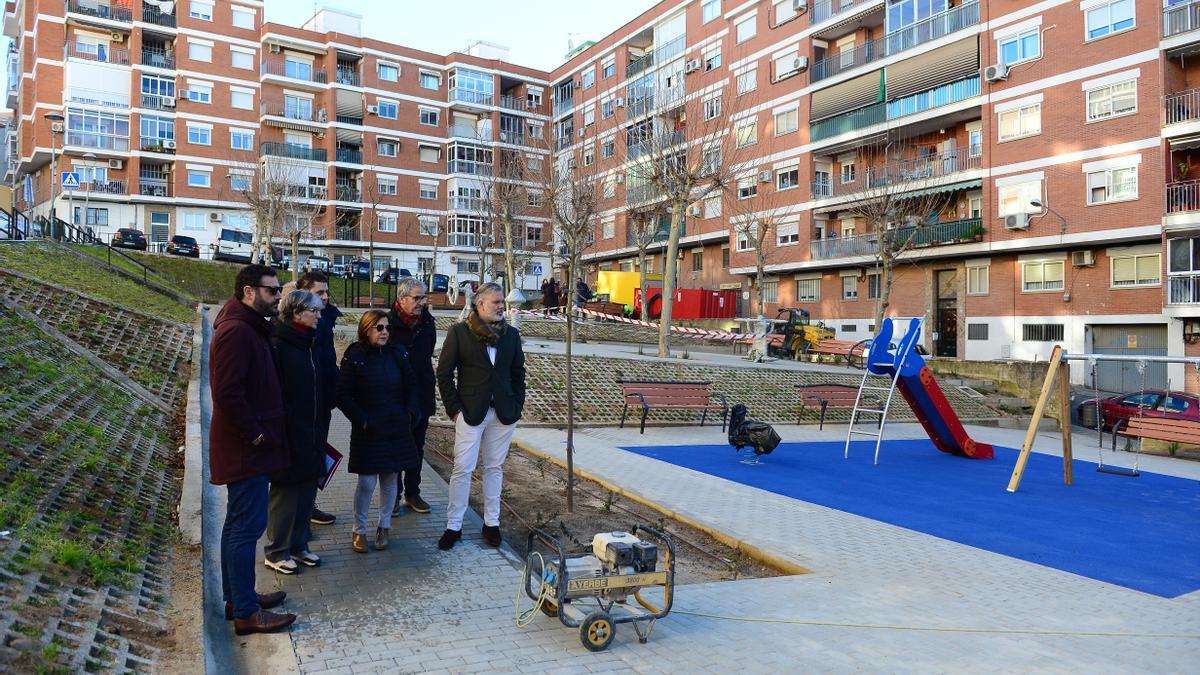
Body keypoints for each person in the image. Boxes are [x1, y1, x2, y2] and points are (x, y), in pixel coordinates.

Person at [209, 264, 296, 635]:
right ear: (249, 292)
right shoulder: (236, 332)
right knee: (247, 529)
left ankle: (238, 598)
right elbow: (227, 393)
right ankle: (245, 613)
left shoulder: (250, 328)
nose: (278, 296)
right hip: (246, 449)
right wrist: (256, 435)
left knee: (237, 527)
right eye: (272, 290)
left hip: (247, 447)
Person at [436, 282, 526, 551]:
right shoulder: (459, 333)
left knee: (494, 468)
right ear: (480, 304)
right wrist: (454, 409)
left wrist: (517, 405)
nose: (502, 306)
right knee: (462, 468)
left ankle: (492, 524)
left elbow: (518, 373)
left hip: (503, 414)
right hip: (471, 413)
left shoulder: (510, 335)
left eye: (502, 302)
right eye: (497, 302)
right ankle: (454, 526)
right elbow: (444, 373)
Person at [336, 310, 421, 553]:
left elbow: (412, 386)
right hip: (369, 428)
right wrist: (361, 420)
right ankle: (358, 529)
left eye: (386, 328)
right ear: (366, 329)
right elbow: (342, 394)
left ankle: (384, 527)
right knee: (366, 482)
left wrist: (410, 413)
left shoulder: (397, 354)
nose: (384, 332)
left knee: (390, 478)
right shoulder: (355, 355)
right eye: (379, 328)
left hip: (395, 426)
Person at [263, 290, 328, 575]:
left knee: (306, 491)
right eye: (314, 310)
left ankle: (299, 546)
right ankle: (276, 551)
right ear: (297, 312)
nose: (319, 315)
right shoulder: (279, 344)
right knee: (285, 493)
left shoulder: (307, 344)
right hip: (289, 433)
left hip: (311, 430)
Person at [387, 277, 436, 516]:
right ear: (402, 298)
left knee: (417, 447)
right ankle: (392, 496)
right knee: (396, 448)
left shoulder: (427, 322)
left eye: (423, 297)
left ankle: (412, 493)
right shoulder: (387, 323)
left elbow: (427, 354)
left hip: (422, 395)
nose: (421, 302)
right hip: (396, 397)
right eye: (417, 298)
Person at [297, 272, 341, 527]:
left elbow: (328, 359)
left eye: (326, 292)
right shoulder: (302, 323)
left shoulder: (326, 319)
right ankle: (297, 517)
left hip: (323, 398)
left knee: (317, 453)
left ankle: (308, 508)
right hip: (306, 402)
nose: (325, 297)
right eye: (319, 292)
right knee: (303, 457)